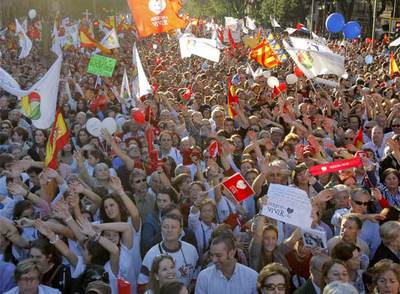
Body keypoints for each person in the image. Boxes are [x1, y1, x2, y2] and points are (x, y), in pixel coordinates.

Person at [139, 213, 198, 288]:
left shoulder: (191, 250)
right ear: (161, 230)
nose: (169, 230)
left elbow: (196, 277)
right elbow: (142, 284)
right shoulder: (151, 254)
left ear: (180, 230)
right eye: (165, 227)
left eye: (173, 227)